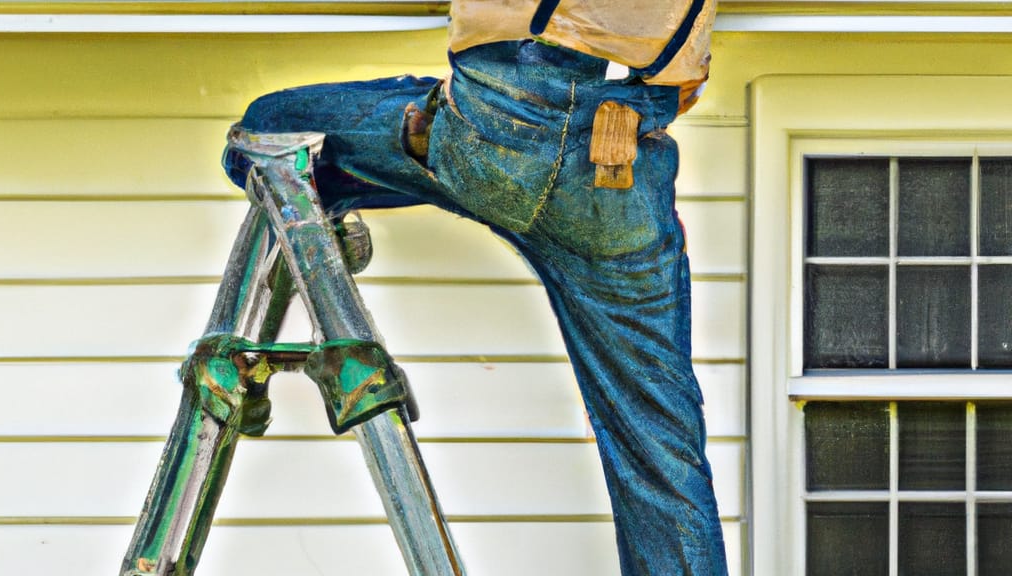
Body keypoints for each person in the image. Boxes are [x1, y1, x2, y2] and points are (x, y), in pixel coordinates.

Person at [223, 2, 726, 574]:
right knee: (661, 449)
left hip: (500, 121)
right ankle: (338, 207)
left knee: (263, 131)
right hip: (623, 166)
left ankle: (325, 216)